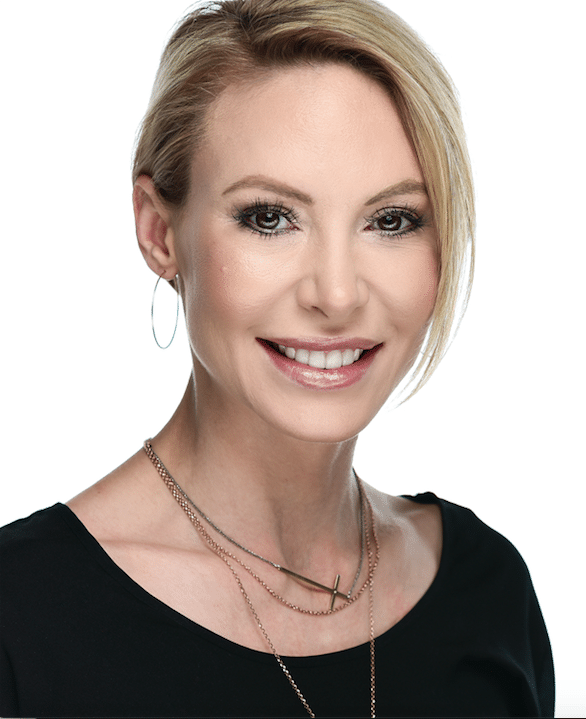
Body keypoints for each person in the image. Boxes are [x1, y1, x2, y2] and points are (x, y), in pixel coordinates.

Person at [0, 0, 554, 716]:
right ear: (160, 233)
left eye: (391, 220)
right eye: (269, 217)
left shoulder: (489, 590)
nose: (336, 292)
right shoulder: (21, 617)